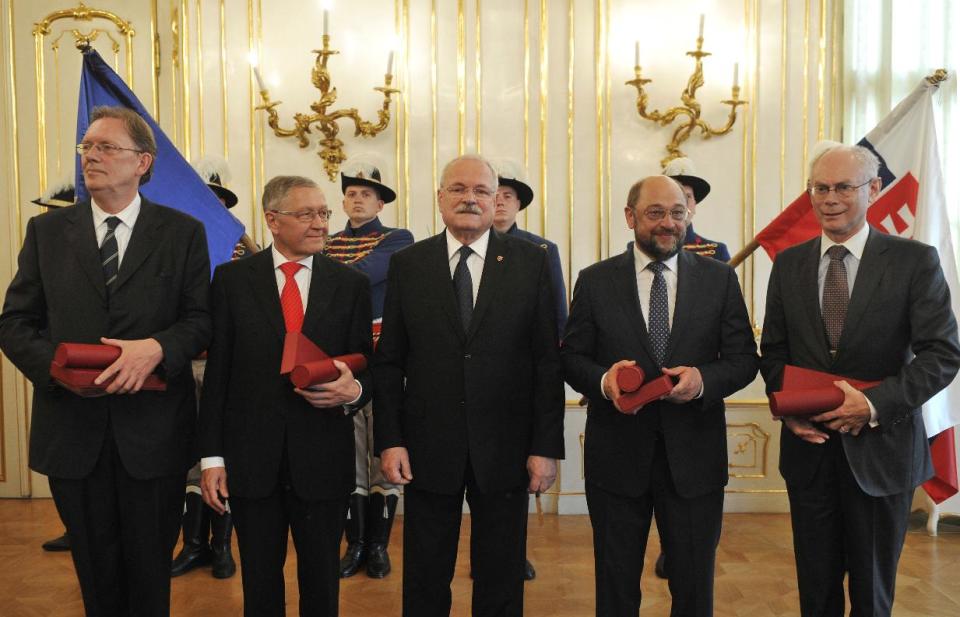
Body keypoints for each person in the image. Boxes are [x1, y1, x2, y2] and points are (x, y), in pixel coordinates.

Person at [0, 105, 212, 617]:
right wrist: (59, 368)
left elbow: (201, 320)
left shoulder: (182, 232)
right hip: (74, 432)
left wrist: (157, 348)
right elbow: (14, 323)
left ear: (143, 161)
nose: (91, 156)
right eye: (87, 147)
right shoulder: (46, 233)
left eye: (105, 147)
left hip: (155, 434)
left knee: (149, 574)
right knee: (95, 574)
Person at [759, 143, 960, 617]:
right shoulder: (789, 264)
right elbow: (774, 353)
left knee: (871, 595)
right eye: (821, 188)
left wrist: (872, 405)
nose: (830, 198)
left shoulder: (915, 261)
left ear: (873, 190)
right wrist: (790, 411)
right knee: (816, 587)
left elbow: (942, 354)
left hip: (883, 452)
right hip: (809, 453)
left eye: (843, 187)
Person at [374, 154, 565, 617]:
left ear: (497, 200)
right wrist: (390, 440)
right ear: (440, 198)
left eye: (482, 191)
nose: (470, 198)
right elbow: (390, 360)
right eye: (458, 188)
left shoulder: (531, 263)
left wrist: (545, 446)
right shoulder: (408, 264)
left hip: (506, 448)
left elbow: (546, 362)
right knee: (424, 572)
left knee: (501, 574)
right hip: (425, 447)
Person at [562, 175, 758, 616]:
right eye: (655, 213)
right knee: (615, 587)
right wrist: (603, 381)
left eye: (677, 213)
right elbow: (572, 358)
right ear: (630, 217)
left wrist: (702, 380)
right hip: (616, 459)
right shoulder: (594, 281)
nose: (668, 223)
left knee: (693, 590)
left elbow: (745, 360)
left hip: (694, 461)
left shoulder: (719, 280)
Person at [198, 175, 373, 617]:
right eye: (307, 214)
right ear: (273, 220)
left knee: (321, 585)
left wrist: (352, 391)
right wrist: (212, 459)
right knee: (259, 582)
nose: (320, 224)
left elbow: (365, 365)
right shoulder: (232, 281)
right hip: (252, 461)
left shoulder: (349, 284)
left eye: (324, 214)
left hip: (323, 460)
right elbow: (218, 376)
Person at [325, 165, 413, 579]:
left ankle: (378, 544)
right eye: (352, 193)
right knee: (349, 454)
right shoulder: (329, 242)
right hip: (340, 359)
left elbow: (364, 274)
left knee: (384, 451)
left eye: (367, 194)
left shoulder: (397, 239)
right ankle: (355, 542)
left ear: (381, 204)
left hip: (383, 357)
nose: (357, 199)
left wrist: (318, 270)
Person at [490, 171, 567, 582]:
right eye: (495, 194)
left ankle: (512, 555)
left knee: (515, 481)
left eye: (509, 196)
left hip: (522, 382)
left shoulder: (540, 250)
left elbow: (556, 317)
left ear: (519, 205)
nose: (500, 202)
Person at [170, 156, 245, 579]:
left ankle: (222, 546)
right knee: (188, 462)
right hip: (182, 365)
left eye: (213, 198)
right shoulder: (172, 242)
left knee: (222, 456)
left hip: (224, 367)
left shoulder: (236, 245)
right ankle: (193, 543)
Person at [28, 181, 77, 555]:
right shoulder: (43, 244)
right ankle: (73, 528)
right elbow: (23, 317)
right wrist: (50, 365)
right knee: (63, 468)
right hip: (56, 377)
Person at [663, 157, 730, 262]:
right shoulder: (645, 248)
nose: (681, 204)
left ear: (694, 205)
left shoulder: (717, 252)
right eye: (675, 196)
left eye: (687, 197)